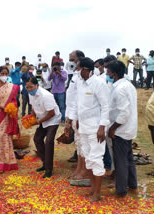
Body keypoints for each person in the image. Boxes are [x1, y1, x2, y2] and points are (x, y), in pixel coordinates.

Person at [68, 57, 110, 201]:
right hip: (83, 128)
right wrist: (77, 119)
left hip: (96, 128)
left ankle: (98, 193)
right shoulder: (80, 82)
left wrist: (102, 127)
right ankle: (93, 189)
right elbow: (78, 103)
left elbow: (105, 106)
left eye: (78, 68)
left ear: (86, 69)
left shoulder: (99, 83)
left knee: (96, 159)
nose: (76, 71)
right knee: (88, 160)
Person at [106, 60, 138, 197]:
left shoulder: (120, 89)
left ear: (113, 74)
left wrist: (112, 128)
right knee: (128, 159)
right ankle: (132, 185)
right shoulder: (128, 85)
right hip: (128, 129)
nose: (106, 74)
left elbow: (123, 113)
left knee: (120, 162)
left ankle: (121, 190)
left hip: (121, 130)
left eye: (108, 71)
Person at [27, 77, 61, 178]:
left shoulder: (46, 96)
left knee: (49, 141)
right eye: (27, 87)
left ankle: (49, 169)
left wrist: (38, 121)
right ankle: (45, 163)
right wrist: (30, 119)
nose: (29, 89)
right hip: (42, 118)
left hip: (52, 120)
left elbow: (51, 113)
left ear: (37, 85)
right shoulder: (30, 94)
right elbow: (34, 108)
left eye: (31, 87)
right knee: (37, 139)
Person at [65, 50, 89, 185]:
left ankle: (84, 171)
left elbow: (83, 99)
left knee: (84, 144)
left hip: (82, 115)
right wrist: (69, 118)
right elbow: (72, 98)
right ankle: (80, 169)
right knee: (79, 144)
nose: (71, 62)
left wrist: (78, 116)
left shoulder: (87, 77)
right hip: (74, 114)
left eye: (73, 59)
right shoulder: (75, 74)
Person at [0, 66, 19, 172]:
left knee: (6, 136)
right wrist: (3, 107)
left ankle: (7, 162)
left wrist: (12, 108)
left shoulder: (10, 86)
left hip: (7, 116)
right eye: (2, 73)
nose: (4, 76)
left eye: (6, 74)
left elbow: (14, 100)